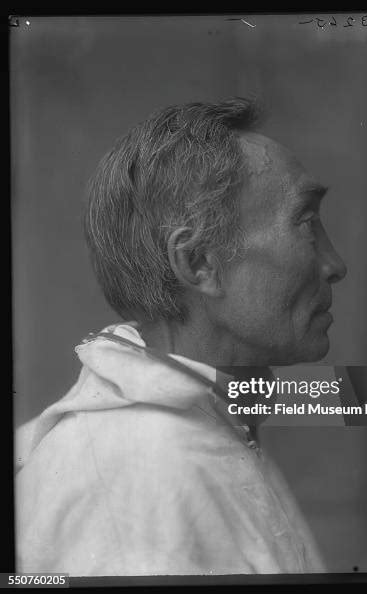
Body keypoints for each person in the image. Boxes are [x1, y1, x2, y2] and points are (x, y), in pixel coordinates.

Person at [15, 98, 347, 576]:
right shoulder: (144, 473)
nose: (335, 265)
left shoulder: (195, 427)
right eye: (306, 224)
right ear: (198, 263)